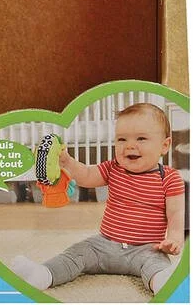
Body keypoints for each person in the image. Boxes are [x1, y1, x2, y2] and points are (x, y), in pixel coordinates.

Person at [12, 103, 185, 295]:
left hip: (146, 249)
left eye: (141, 138)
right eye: (121, 139)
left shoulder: (169, 178)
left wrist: (174, 239)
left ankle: (163, 283)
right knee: (77, 252)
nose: (129, 145)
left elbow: (176, 213)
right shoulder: (113, 168)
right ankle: (44, 274)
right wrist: (67, 162)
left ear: (164, 145)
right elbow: (86, 175)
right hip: (104, 245)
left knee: (157, 265)